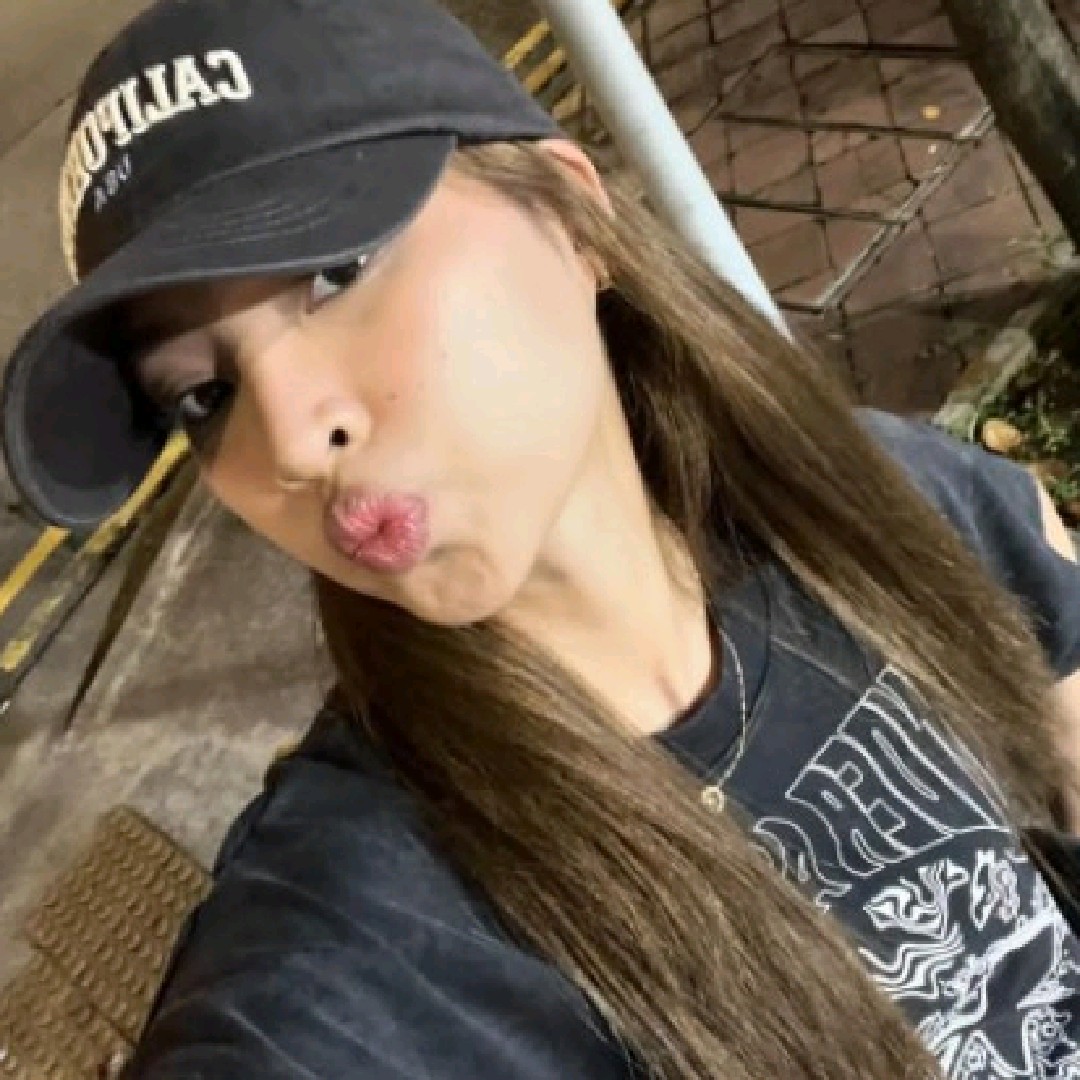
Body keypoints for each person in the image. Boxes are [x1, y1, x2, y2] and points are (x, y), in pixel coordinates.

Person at [6, 0, 1080, 1076]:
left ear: (572, 219)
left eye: (336, 271)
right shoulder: (362, 937)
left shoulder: (877, 497)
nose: (289, 435)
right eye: (202, 395)